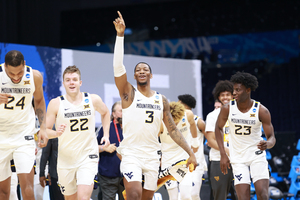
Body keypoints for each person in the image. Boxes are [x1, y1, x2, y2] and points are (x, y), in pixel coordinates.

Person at [113, 11, 197, 200]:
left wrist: (190, 152)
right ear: (134, 76)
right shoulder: (128, 93)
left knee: (146, 198)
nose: (141, 71)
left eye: (145, 70)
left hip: (152, 155)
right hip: (131, 154)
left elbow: (173, 130)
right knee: (133, 194)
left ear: (151, 75)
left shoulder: (161, 100)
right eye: (138, 70)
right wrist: (120, 36)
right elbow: (118, 67)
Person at [46, 65, 110, 200]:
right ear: (63, 83)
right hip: (66, 159)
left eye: (74, 79)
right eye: (68, 80)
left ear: (80, 82)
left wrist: (106, 135)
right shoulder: (55, 103)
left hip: (87, 157)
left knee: (83, 197)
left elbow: (105, 113)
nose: (71, 82)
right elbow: (45, 131)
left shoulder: (92, 99)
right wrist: (56, 133)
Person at [215, 72, 276, 200]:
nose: (234, 93)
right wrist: (222, 154)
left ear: (248, 90)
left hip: (256, 155)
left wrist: (268, 144)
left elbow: (271, 137)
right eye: (234, 90)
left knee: (262, 194)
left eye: (238, 90)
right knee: (243, 197)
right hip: (238, 157)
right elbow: (218, 128)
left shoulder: (261, 110)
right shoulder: (227, 108)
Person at [0, 50, 47, 200]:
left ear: (24, 65)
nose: (15, 77)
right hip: (1, 135)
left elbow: (39, 101)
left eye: (19, 73)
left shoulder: (34, 76)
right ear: (5, 66)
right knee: (3, 192)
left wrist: (43, 127)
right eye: (11, 74)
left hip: (24, 135)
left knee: (27, 188)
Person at [159, 101, 198, 200]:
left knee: (186, 196)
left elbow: (193, 125)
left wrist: (195, 142)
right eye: (172, 121)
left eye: (177, 121)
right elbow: (154, 141)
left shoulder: (188, 114)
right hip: (168, 160)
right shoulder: (160, 122)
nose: (175, 124)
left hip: (185, 159)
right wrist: (158, 157)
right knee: (173, 198)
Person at [205, 80, 237, 200]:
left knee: (241, 195)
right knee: (219, 196)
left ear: (233, 95)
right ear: (218, 96)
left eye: (228, 94)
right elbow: (210, 140)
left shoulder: (240, 113)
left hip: (239, 160)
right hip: (218, 160)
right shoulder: (212, 116)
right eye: (222, 95)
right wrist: (227, 151)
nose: (225, 97)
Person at [177, 94, 207, 200]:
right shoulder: (176, 120)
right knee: (183, 195)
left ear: (182, 103)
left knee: (193, 193)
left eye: (178, 102)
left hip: (196, 162)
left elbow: (210, 138)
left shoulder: (199, 121)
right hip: (181, 161)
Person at [97, 101, 124, 200]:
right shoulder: (105, 127)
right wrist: (104, 148)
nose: (124, 113)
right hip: (108, 176)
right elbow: (91, 148)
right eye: (121, 111)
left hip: (127, 175)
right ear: (113, 114)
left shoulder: (130, 128)